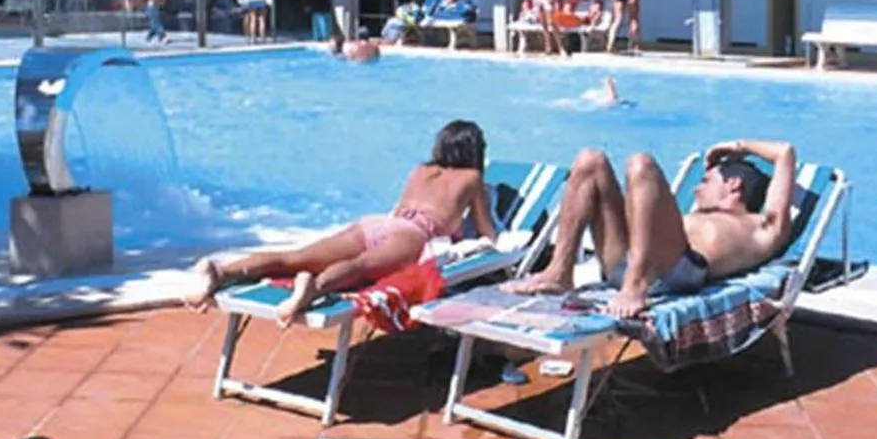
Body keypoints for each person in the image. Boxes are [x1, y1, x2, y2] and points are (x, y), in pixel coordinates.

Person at [187, 119, 497, 325]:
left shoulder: (421, 171)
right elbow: (487, 234)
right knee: (361, 268)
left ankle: (221, 270)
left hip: (377, 224)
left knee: (296, 256)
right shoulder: (473, 178)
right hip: (412, 234)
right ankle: (314, 288)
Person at [510, 138, 799, 319]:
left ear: (734, 184)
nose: (696, 190)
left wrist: (738, 147)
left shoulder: (763, 227)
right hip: (628, 262)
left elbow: (785, 152)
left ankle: (636, 283)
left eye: (706, 181)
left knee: (641, 164)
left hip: (675, 271)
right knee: (590, 160)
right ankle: (560, 272)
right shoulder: (695, 213)